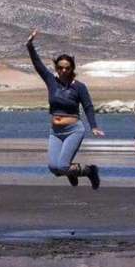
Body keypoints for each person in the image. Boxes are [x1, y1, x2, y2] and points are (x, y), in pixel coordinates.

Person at [26, 31, 103, 188]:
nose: (63, 71)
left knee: (62, 166)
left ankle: (90, 171)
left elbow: (88, 106)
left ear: (72, 68)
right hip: (55, 131)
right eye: (60, 68)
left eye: (67, 68)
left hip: (73, 130)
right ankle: (71, 171)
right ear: (56, 68)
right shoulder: (51, 81)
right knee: (54, 168)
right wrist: (30, 46)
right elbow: (38, 65)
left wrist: (93, 126)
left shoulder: (79, 87)